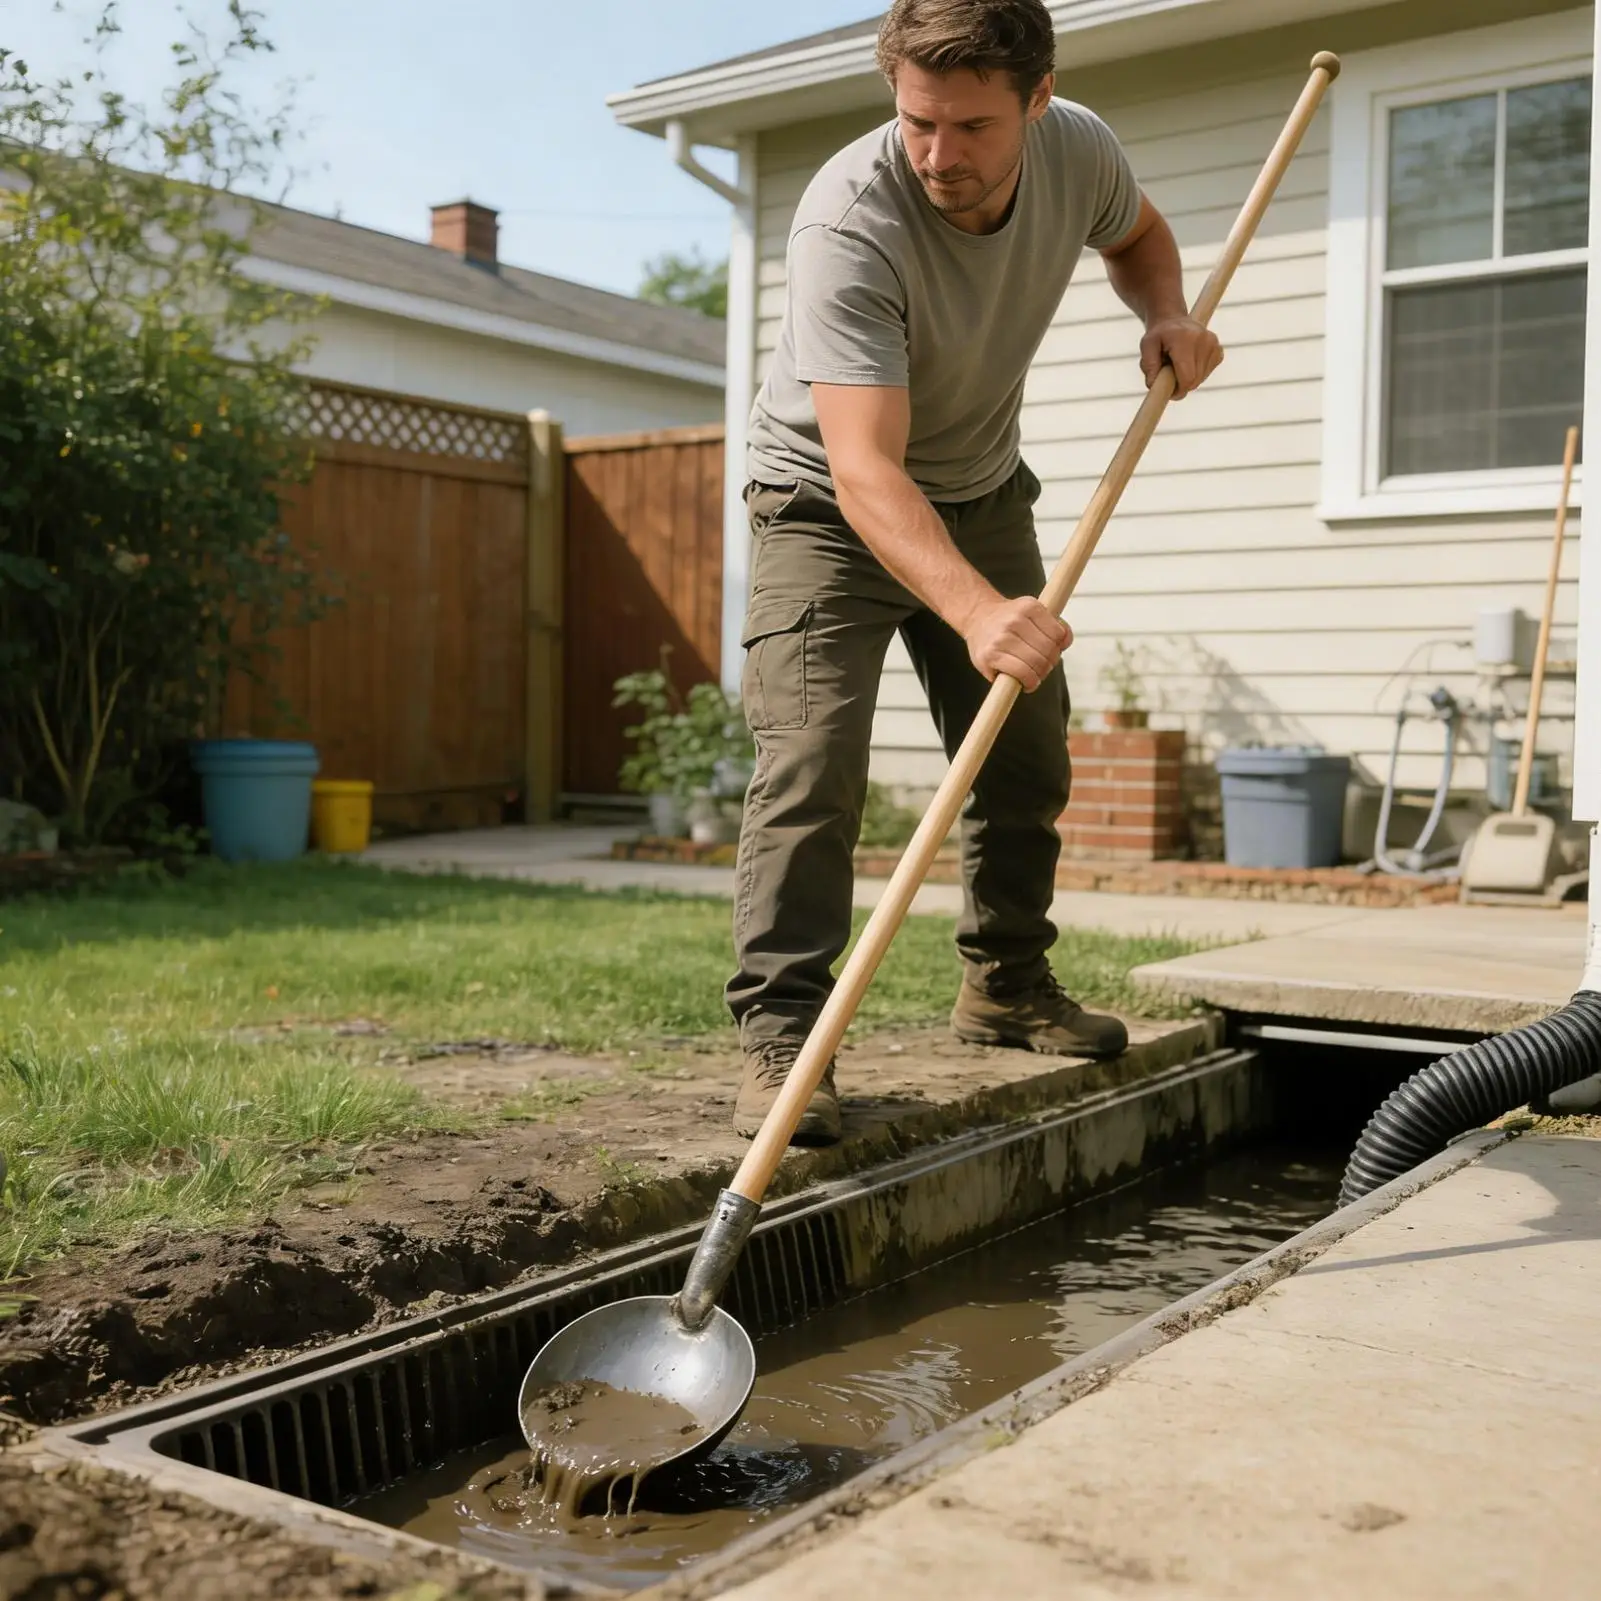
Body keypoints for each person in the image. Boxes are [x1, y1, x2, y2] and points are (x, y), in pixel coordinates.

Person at [727, 0, 1224, 1145]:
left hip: (980, 486)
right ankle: (782, 1037)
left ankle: (1003, 984)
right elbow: (862, 469)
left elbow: (1137, 234)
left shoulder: (1079, 149)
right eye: (916, 123)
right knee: (810, 762)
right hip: (822, 503)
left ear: (1037, 101)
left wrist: (1165, 314)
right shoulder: (846, 222)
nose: (938, 156)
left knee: (1020, 747)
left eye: (969, 127)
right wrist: (973, 608)